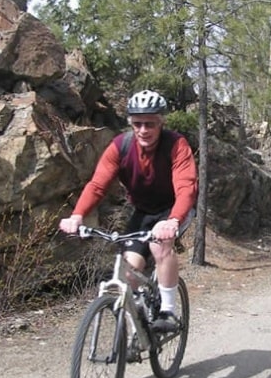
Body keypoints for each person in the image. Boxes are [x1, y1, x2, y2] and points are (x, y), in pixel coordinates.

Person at [59, 89, 198, 331]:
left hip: (173, 210)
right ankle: (139, 321)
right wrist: (77, 215)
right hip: (143, 211)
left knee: (159, 244)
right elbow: (98, 184)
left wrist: (173, 220)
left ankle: (167, 311)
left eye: (150, 124)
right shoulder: (120, 146)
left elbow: (186, 187)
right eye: (137, 124)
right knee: (129, 268)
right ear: (130, 123)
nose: (143, 130)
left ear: (160, 122)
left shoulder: (176, 145)